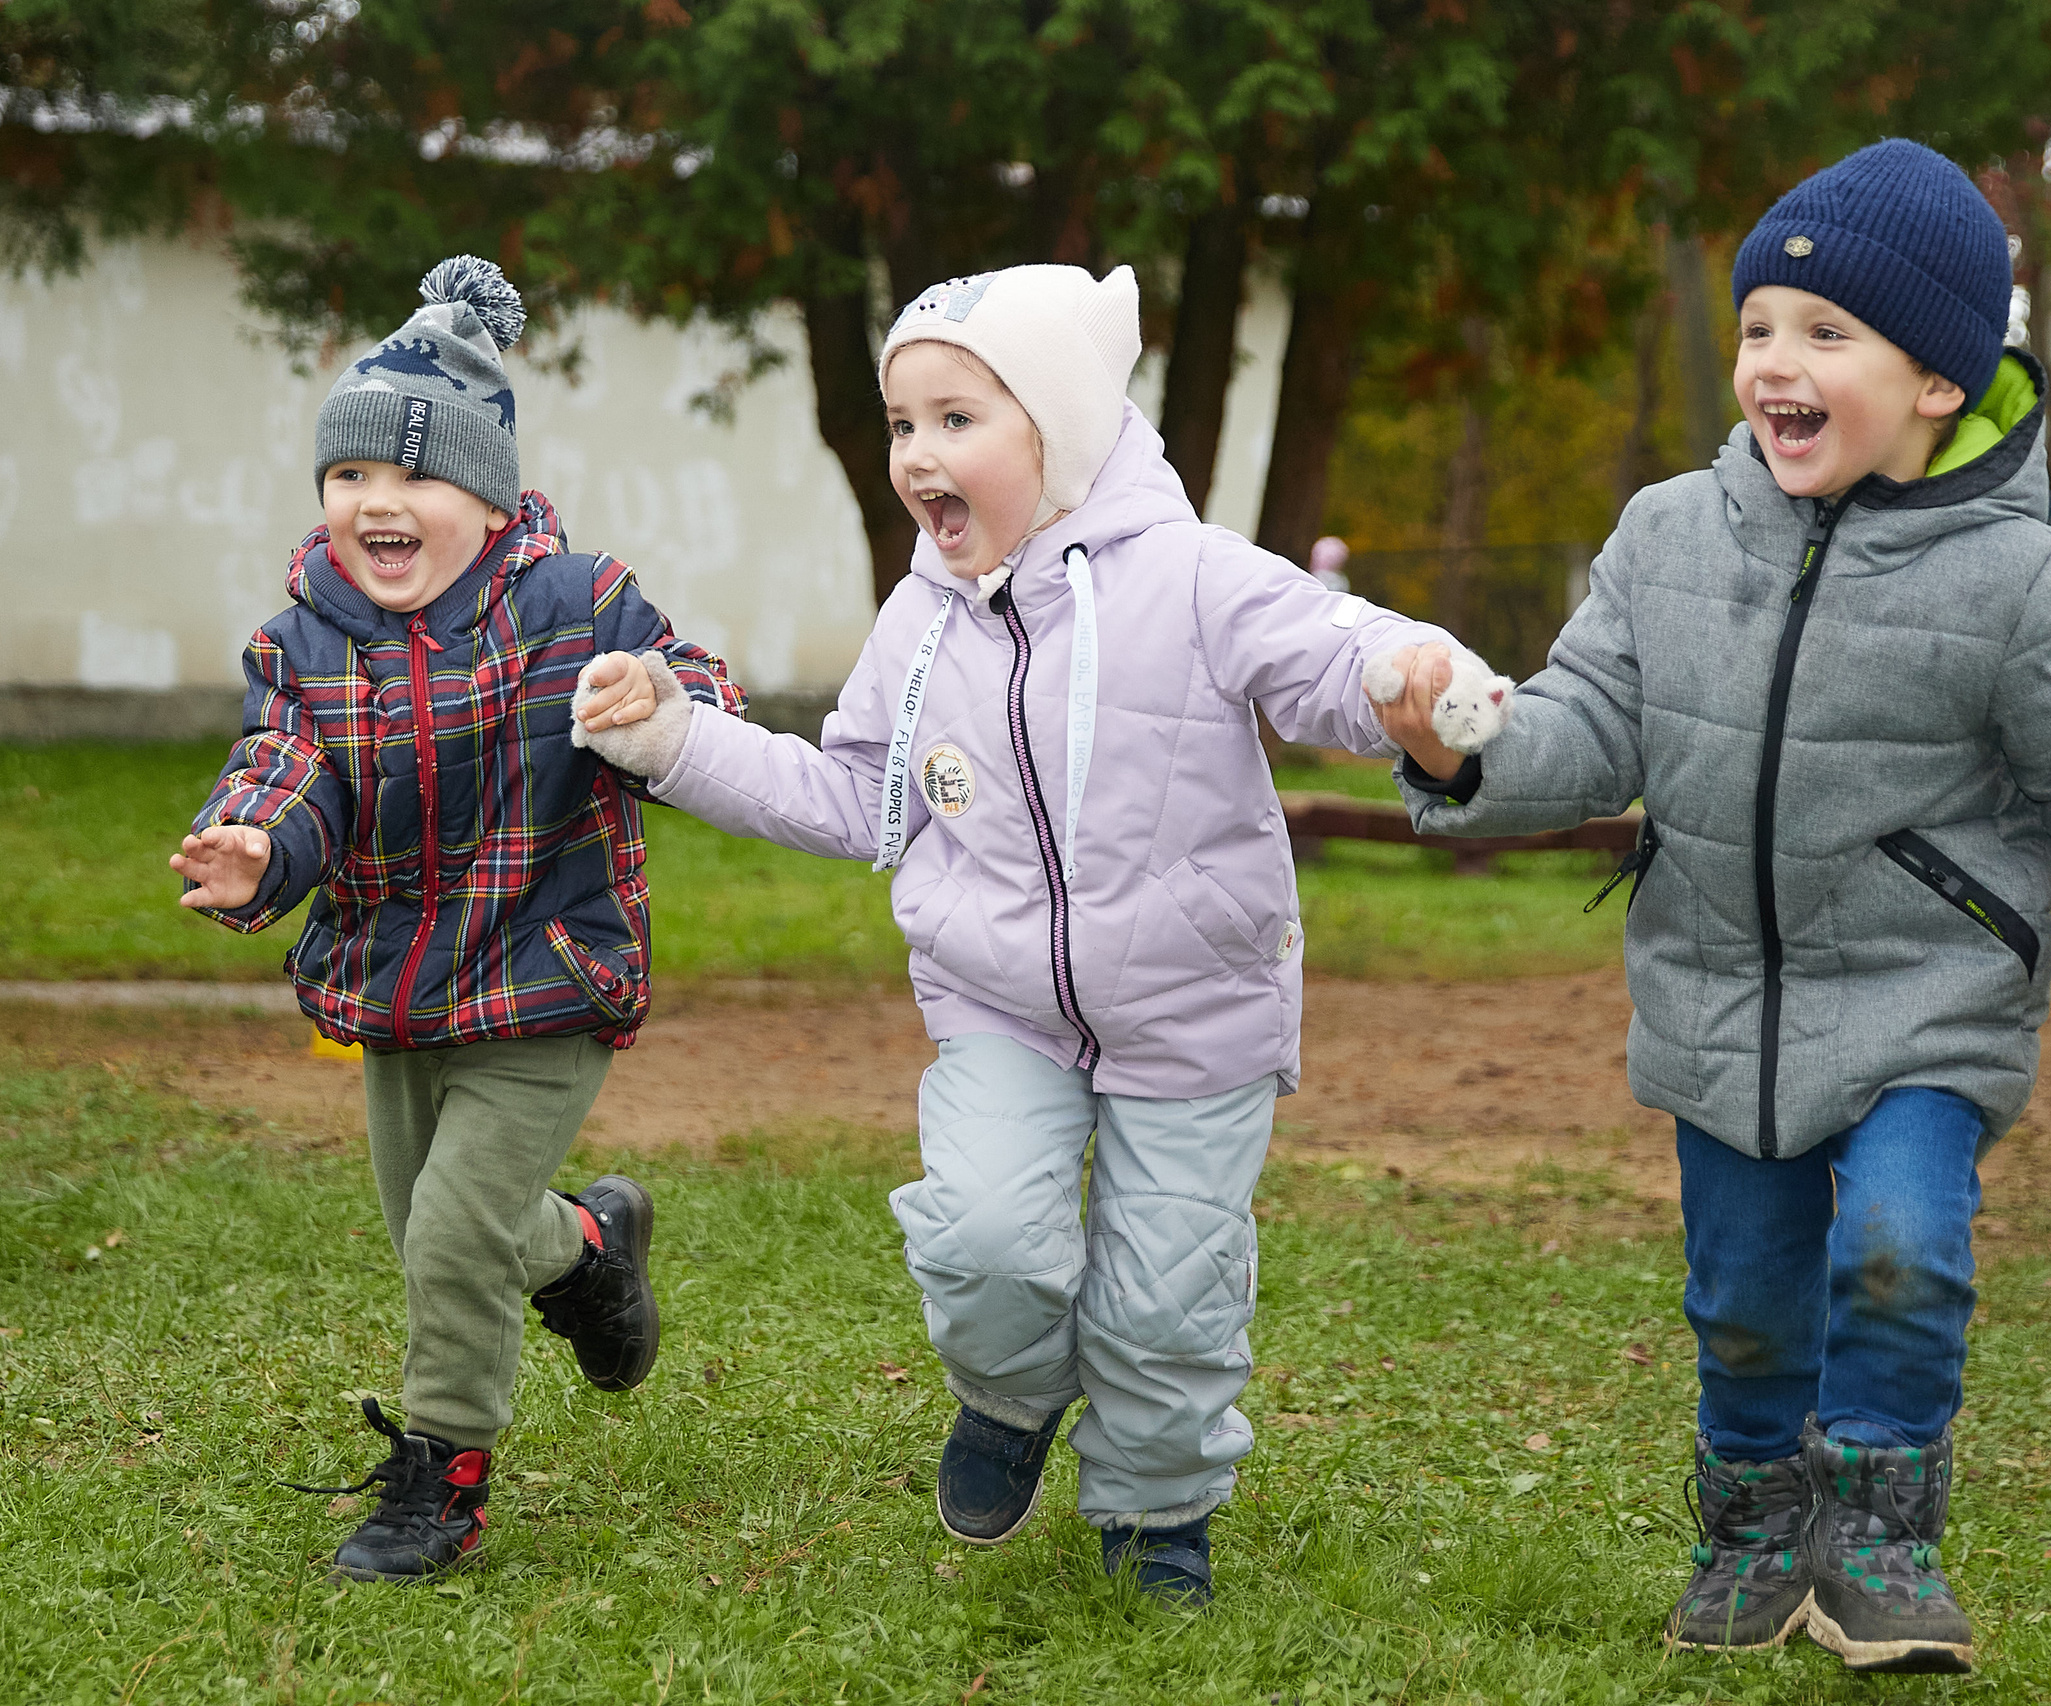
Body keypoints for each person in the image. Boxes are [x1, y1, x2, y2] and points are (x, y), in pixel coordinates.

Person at [1372, 140, 2051, 1673]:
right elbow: (1588, 726)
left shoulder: (2017, 584)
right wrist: (1461, 742)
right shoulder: (1666, 537)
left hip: (1923, 999)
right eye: (1763, 325)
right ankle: (1755, 1525)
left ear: (1942, 385)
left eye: (1830, 336)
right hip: (1718, 997)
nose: (1778, 362)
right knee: (1744, 1296)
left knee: (1902, 1245)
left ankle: (1882, 1535)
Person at [571, 263, 1451, 1606]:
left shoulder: (1196, 577)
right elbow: (850, 790)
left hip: (1196, 1004)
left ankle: (1158, 1511)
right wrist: (672, 742)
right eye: (903, 424)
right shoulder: (921, 622)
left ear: (1065, 431)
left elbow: (1331, 654)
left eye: (958, 420)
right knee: (985, 1240)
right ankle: (1012, 1388)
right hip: (999, 1001)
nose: (920, 454)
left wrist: (1409, 683)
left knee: (1167, 1294)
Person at [169, 258, 742, 1583]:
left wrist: (652, 703)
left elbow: (700, 689)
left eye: (416, 479)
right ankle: (590, 1249)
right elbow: (287, 762)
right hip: (397, 987)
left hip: (546, 974)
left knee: (450, 1231)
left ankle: (444, 1477)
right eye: (351, 476)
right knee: (442, 1223)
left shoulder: (577, 601)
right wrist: (260, 840)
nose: (380, 503)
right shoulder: (307, 636)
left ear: (487, 497)